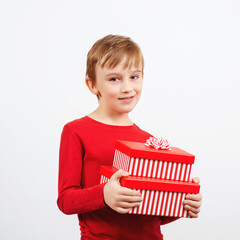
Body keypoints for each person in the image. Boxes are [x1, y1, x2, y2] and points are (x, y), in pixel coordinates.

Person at [57, 35, 202, 239]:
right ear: (92, 85)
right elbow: (66, 200)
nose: (127, 88)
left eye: (134, 77)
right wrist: (104, 194)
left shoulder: (149, 141)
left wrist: (183, 203)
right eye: (114, 79)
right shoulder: (76, 131)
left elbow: (150, 211)